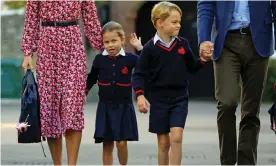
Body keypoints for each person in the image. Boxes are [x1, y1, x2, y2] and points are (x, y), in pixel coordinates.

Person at [20, 1, 103, 165]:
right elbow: (31, 19)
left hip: (73, 45)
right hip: (47, 46)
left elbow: (91, 18)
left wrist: (104, 48)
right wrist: (28, 53)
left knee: (73, 107)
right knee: (49, 110)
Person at [132, 2, 212, 165]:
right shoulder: (149, 48)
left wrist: (203, 60)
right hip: (158, 100)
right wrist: (140, 95)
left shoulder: (183, 44)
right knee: (163, 143)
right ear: (160, 22)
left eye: (179, 21)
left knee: (176, 137)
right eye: (174, 22)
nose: (179, 25)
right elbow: (139, 74)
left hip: (179, 98)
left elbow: (192, 67)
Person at [197, 1, 276, 165]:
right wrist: (203, 39)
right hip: (225, 42)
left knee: (251, 110)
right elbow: (206, 5)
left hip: (259, 42)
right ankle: (227, 161)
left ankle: (246, 162)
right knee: (227, 102)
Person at [85, 21, 143, 165]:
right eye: (106, 42)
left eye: (114, 41)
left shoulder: (130, 58)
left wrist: (140, 48)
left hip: (124, 106)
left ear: (122, 40)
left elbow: (147, 65)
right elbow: (92, 77)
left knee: (122, 143)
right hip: (105, 107)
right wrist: (83, 92)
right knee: (107, 143)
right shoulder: (99, 59)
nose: (110, 45)